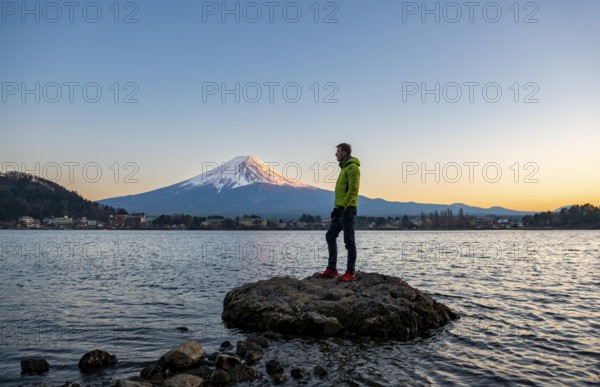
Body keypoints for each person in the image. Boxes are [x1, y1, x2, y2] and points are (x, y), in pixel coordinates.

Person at [319, 143, 360, 282]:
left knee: (349, 241)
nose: (335, 154)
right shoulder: (343, 168)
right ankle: (332, 268)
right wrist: (336, 209)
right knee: (330, 235)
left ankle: (350, 272)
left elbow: (353, 190)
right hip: (340, 210)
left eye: (338, 151)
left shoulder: (352, 167)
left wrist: (343, 207)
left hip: (347, 210)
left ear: (344, 153)